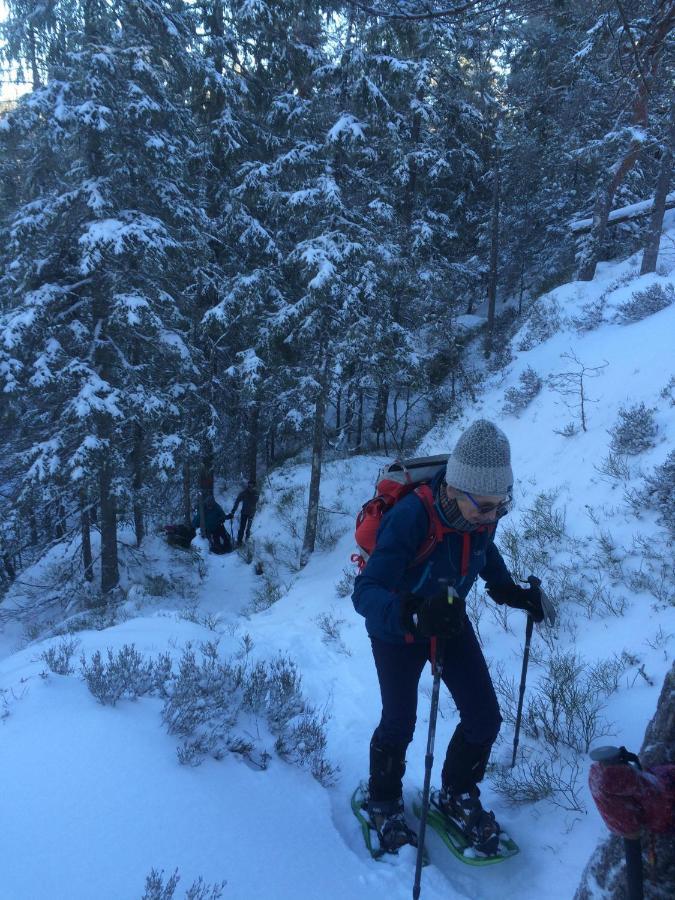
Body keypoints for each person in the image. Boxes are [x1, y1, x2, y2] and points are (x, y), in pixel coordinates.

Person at [352, 419, 544, 856]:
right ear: (455, 489)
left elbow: (484, 550)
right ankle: (382, 799)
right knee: (400, 722)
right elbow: (365, 593)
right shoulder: (410, 516)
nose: (493, 515)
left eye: (502, 505)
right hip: (395, 629)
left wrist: (509, 591)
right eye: (486, 506)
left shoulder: (481, 515)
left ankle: (456, 792)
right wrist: (413, 614)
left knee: (485, 716)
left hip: (449, 621)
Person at [231, 480, 259, 545]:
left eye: (252, 485)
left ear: (254, 486)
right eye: (249, 485)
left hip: (252, 513)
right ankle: (239, 542)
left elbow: (255, 501)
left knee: (248, 528)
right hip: (244, 513)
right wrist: (233, 511)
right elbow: (237, 502)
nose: (250, 486)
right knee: (242, 528)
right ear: (248, 485)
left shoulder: (256, 493)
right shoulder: (244, 493)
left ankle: (247, 541)